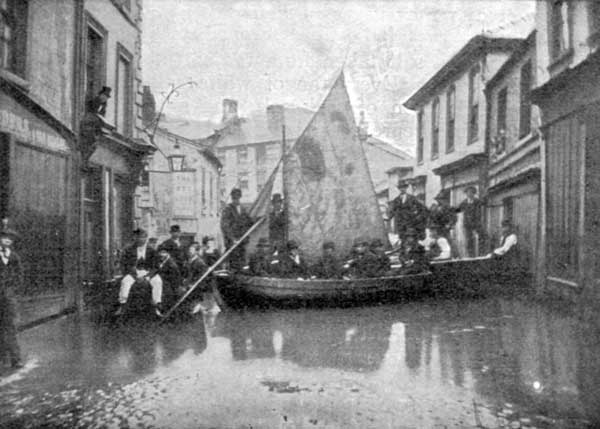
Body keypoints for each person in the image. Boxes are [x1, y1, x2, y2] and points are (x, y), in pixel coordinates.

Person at [116, 228, 163, 316]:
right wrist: (135, 276)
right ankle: (122, 305)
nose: (141, 239)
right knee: (125, 281)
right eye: (139, 237)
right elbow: (126, 265)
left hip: (148, 272)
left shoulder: (152, 250)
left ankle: (157, 305)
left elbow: (156, 267)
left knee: (158, 281)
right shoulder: (129, 249)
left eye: (143, 237)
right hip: (134, 272)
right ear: (135, 238)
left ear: (146, 238)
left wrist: (148, 277)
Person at [0, 221, 24, 369]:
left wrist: (12, 290)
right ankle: (2, 358)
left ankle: (16, 359)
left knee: (10, 327)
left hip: (8, 298)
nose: (8, 240)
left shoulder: (14, 257)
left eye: (10, 238)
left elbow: (20, 276)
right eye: (4, 237)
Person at [221, 188, 254, 271]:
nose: (236, 200)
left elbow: (249, 222)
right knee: (233, 262)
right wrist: (232, 239)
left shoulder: (243, 209)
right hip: (232, 242)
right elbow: (225, 226)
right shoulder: (228, 209)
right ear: (232, 198)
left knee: (241, 261)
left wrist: (258, 219)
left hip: (242, 241)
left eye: (238, 197)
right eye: (234, 198)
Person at [457, 186, 485, 257]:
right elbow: (457, 209)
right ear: (466, 193)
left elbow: (481, 209)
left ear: (474, 193)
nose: (470, 194)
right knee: (469, 240)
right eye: (468, 192)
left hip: (476, 223)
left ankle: (481, 253)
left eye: (471, 192)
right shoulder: (464, 203)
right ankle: (471, 255)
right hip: (467, 224)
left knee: (481, 237)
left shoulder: (477, 201)